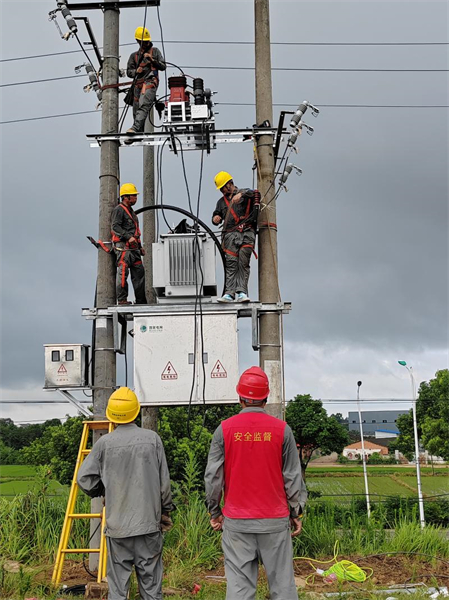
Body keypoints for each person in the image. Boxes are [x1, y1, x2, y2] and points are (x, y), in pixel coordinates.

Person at [205, 367, 307, 600]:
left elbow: (213, 477)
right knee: (283, 587)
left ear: (239, 397)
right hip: (274, 521)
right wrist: (296, 513)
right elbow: (292, 477)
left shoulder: (224, 430)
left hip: (237, 523)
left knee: (239, 590)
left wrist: (214, 511)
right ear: (266, 398)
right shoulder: (282, 430)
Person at [77, 387, 173, 600]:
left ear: (112, 414)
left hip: (117, 527)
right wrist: (165, 510)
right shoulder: (152, 439)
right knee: (151, 586)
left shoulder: (104, 444)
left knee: (118, 589)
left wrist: (102, 490)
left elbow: (84, 479)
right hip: (148, 525)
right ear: (135, 412)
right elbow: (164, 485)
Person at [212, 171, 259, 303]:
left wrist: (241, 194)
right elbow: (217, 214)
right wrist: (216, 218)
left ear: (230, 184)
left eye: (223, 187)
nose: (222, 190)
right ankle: (229, 293)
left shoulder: (244, 194)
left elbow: (254, 193)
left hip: (246, 233)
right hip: (230, 236)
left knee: (243, 263)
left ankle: (242, 292)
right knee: (231, 264)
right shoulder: (221, 202)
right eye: (221, 189)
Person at [112, 183, 147, 305]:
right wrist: (127, 237)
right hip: (124, 248)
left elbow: (135, 231)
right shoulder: (119, 210)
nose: (136, 198)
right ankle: (122, 300)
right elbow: (115, 226)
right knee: (123, 274)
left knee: (139, 274)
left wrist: (140, 246)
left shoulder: (132, 212)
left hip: (134, 249)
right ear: (126, 197)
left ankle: (141, 301)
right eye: (134, 196)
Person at [126, 27, 166, 134]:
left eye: (147, 41)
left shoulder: (155, 51)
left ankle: (135, 128)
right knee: (136, 108)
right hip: (137, 85)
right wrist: (136, 71)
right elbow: (129, 72)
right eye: (143, 42)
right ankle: (138, 132)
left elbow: (163, 66)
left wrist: (152, 60)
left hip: (150, 82)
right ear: (138, 41)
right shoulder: (134, 56)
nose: (146, 43)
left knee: (144, 105)